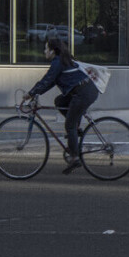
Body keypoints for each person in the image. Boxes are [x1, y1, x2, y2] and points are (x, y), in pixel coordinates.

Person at [25, 36, 98, 173]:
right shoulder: (60, 61)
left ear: (52, 51)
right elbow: (50, 82)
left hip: (83, 93)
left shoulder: (57, 62)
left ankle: (75, 158)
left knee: (69, 124)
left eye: (46, 48)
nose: (44, 51)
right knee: (59, 101)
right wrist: (35, 93)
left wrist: (31, 93)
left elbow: (47, 80)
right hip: (85, 90)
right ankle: (75, 130)